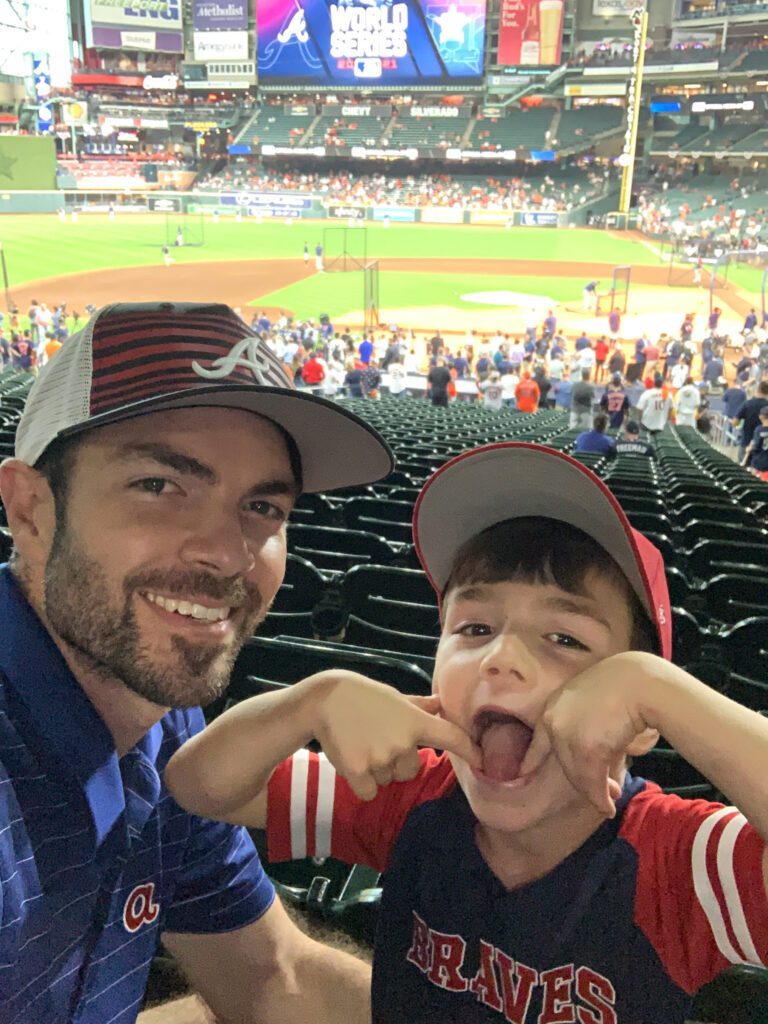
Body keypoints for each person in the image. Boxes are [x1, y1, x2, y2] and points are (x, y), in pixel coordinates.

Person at [166, 441, 768, 1024]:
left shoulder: (679, 861)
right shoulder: (410, 797)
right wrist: (308, 701)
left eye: (565, 638)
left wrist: (663, 692)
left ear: (638, 722)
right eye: (474, 627)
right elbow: (202, 786)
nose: (500, 657)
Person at [0, 301, 394, 1022]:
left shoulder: (162, 720)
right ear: (30, 510)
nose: (225, 551)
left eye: (264, 507)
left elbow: (273, 978)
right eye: (159, 486)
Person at [734, 379, 768, 460]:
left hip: (746, 441)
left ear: (757, 389)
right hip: (763, 446)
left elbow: (735, 422)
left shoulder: (747, 404)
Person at [742, 404, 768, 479]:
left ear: (761, 417)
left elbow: (755, 446)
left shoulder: (759, 429)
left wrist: (748, 448)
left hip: (759, 463)